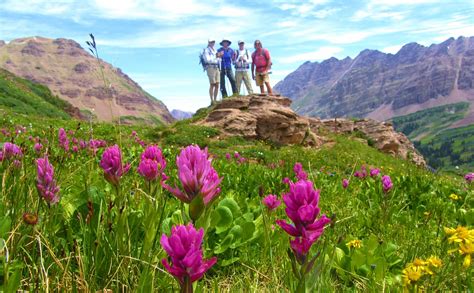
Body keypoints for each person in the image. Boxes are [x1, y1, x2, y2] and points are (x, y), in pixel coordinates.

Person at [203, 38, 222, 104]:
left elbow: (219, 59)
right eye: (211, 42)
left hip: (216, 67)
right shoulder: (206, 50)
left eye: (213, 42)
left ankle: (215, 99)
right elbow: (207, 60)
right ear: (208, 42)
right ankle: (212, 100)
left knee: (217, 84)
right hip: (210, 67)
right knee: (212, 84)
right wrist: (216, 56)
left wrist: (219, 58)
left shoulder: (215, 50)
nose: (212, 43)